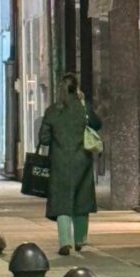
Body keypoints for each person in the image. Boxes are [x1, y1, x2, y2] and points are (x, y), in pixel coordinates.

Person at [38, 71, 102, 256]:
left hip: (59, 162)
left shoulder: (52, 111)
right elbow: (97, 124)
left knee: (62, 201)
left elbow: (44, 138)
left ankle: (65, 241)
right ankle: (80, 239)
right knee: (81, 199)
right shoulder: (83, 108)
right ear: (77, 88)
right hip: (82, 161)